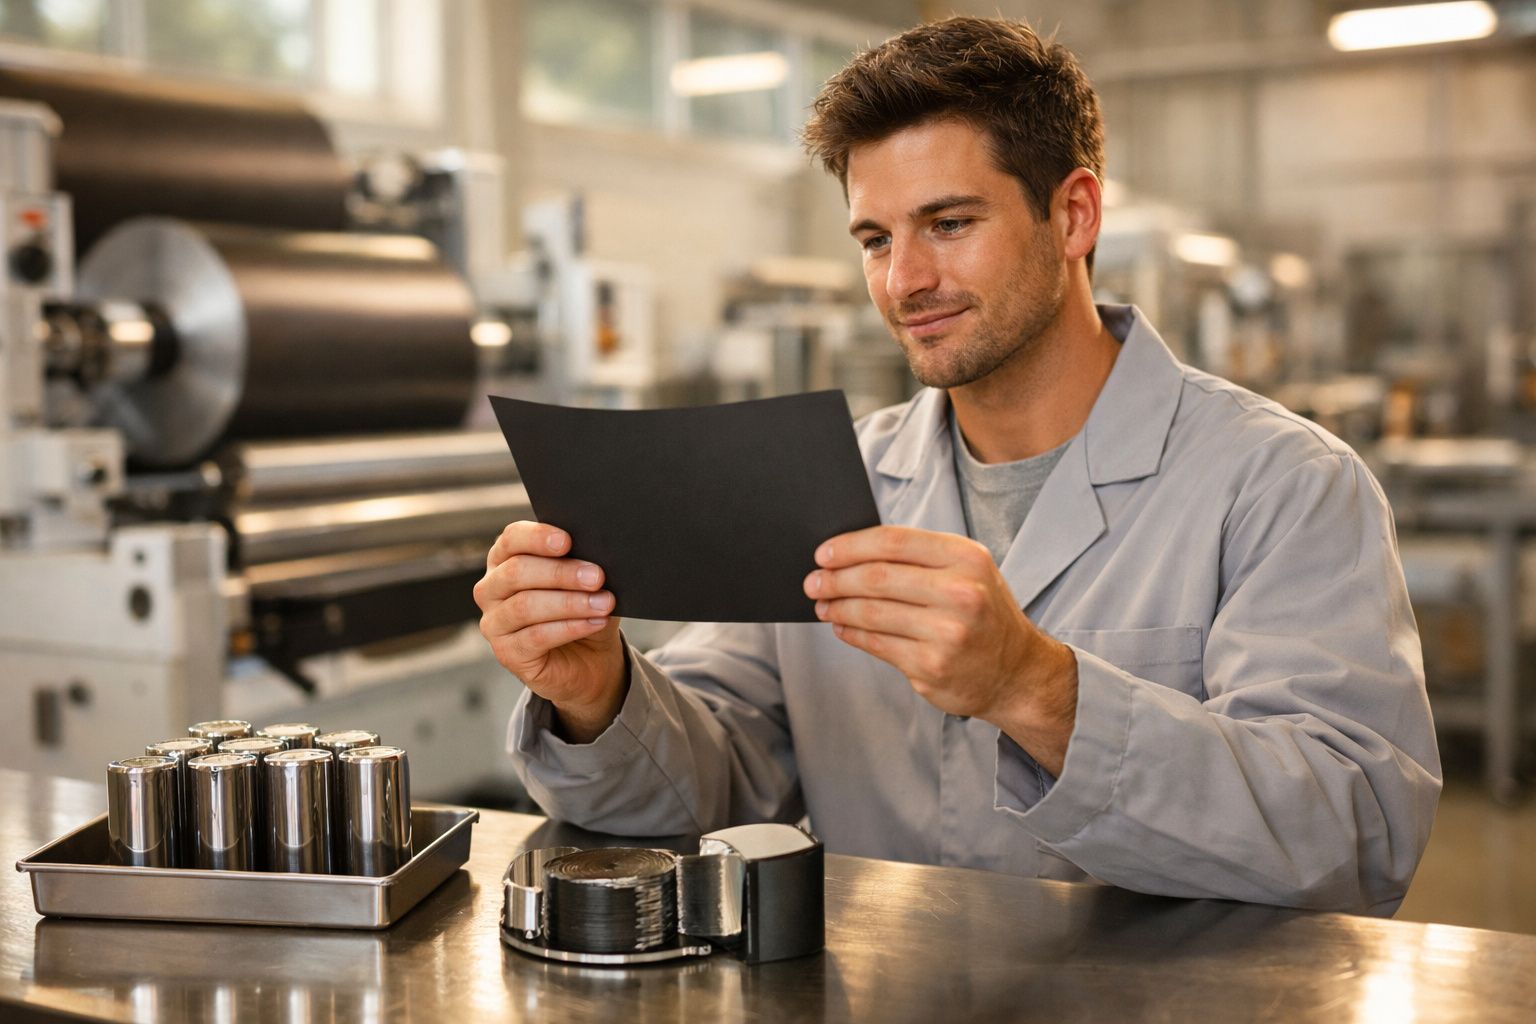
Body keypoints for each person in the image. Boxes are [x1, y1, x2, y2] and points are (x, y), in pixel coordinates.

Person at [474, 15, 1440, 914]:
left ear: (1074, 216)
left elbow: (1353, 837)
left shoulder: (1280, 484)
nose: (904, 282)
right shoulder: (831, 485)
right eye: (874, 239)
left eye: (949, 223)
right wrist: (597, 694)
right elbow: (714, 785)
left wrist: (1036, 688)